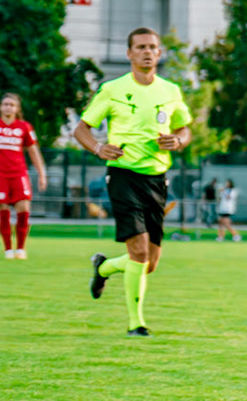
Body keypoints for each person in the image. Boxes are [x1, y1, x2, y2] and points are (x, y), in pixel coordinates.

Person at [75, 28, 193, 336]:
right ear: (129, 53)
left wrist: (178, 141)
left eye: (152, 47)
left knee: (149, 262)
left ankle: (103, 268)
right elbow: (82, 129)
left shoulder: (170, 91)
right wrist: (99, 148)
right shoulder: (112, 89)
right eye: (140, 47)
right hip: (123, 175)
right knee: (138, 253)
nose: (147, 52)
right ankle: (135, 324)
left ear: (159, 53)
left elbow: (185, 130)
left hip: (157, 179)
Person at [0, 92, 47, 259]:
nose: (8, 107)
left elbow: (33, 151)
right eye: (5, 104)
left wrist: (42, 173)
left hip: (18, 173)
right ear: (0, 107)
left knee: (23, 208)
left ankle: (21, 248)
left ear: (17, 109)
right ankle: (8, 248)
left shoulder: (24, 127)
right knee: (3, 209)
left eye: (12, 104)